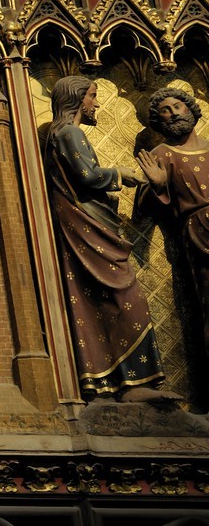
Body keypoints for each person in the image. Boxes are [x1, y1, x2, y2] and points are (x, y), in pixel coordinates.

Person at [44, 75, 177, 405]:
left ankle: (108, 381)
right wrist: (124, 174)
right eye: (91, 96)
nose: (96, 104)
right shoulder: (69, 132)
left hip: (87, 224)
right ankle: (134, 381)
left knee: (98, 302)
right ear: (76, 99)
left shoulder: (58, 135)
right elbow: (87, 176)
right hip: (88, 226)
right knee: (127, 297)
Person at [138, 86, 209, 397]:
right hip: (200, 230)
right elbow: (142, 206)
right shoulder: (162, 155)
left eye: (177, 106)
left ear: (191, 109)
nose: (173, 113)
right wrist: (156, 186)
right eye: (164, 110)